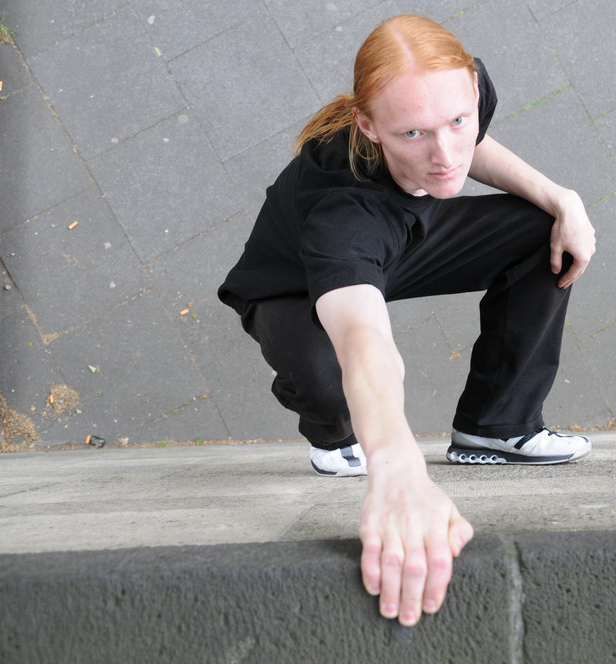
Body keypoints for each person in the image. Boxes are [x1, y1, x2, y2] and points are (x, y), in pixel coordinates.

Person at [217, 14, 596, 627]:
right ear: (368, 125)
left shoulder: (460, 89)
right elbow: (365, 339)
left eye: (457, 121)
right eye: (413, 133)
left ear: (472, 90)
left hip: (405, 238)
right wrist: (397, 468)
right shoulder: (342, 211)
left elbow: (469, 148)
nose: (446, 154)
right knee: (329, 378)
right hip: (296, 281)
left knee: (542, 232)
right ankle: (332, 436)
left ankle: (495, 427)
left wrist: (562, 199)